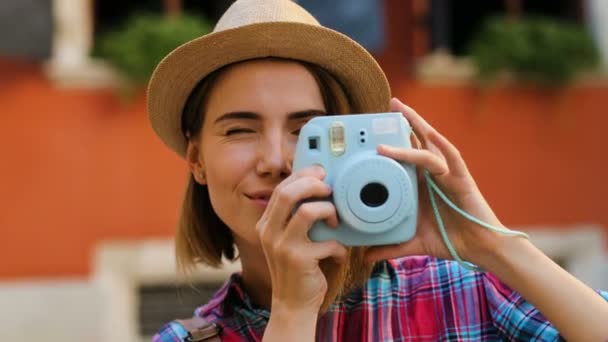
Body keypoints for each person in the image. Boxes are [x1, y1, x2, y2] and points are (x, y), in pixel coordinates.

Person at [148, 0, 608, 340]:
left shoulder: (460, 292)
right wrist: (293, 311)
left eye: (306, 132)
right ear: (197, 161)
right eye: (239, 131)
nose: (276, 161)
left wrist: (494, 246)